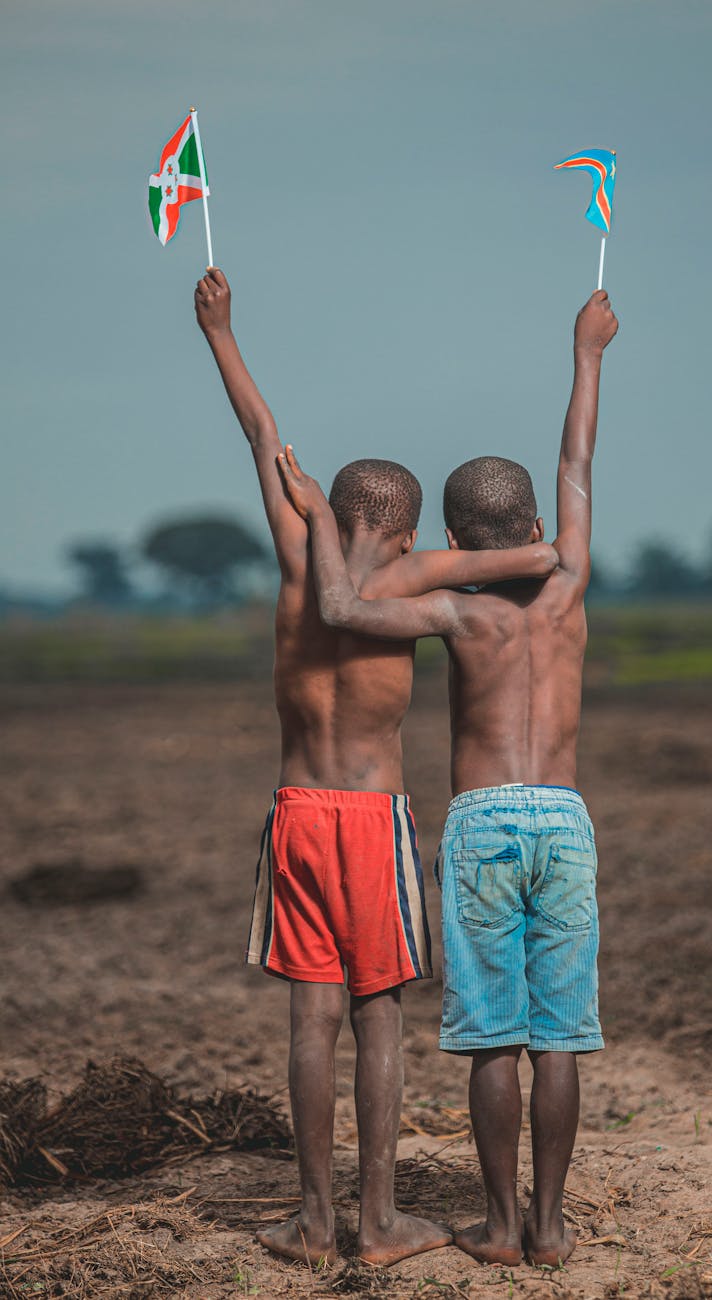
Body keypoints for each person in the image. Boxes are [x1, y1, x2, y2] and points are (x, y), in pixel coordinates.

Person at [193, 267, 560, 1268]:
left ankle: (311, 1221)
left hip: (295, 812)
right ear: (401, 529)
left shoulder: (294, 556)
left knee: (311, 1014)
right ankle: (377, 1220)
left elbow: (264, 440)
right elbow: (534, 561)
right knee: (379, 1017)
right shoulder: (410, 573)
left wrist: (220, 332)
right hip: (371, 822)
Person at [274, 288, 619, 1268]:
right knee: (559, 1036)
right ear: (535, 523)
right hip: (563, 818)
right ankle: (550, 1228)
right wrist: (585, 353)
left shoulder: (457, 612)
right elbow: (579, 457)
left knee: (491, 1041)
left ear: (462, 544)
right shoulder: (569, 579)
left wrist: (312, 506)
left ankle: (499, 1226)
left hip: (478, 824)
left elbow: (342, 599)